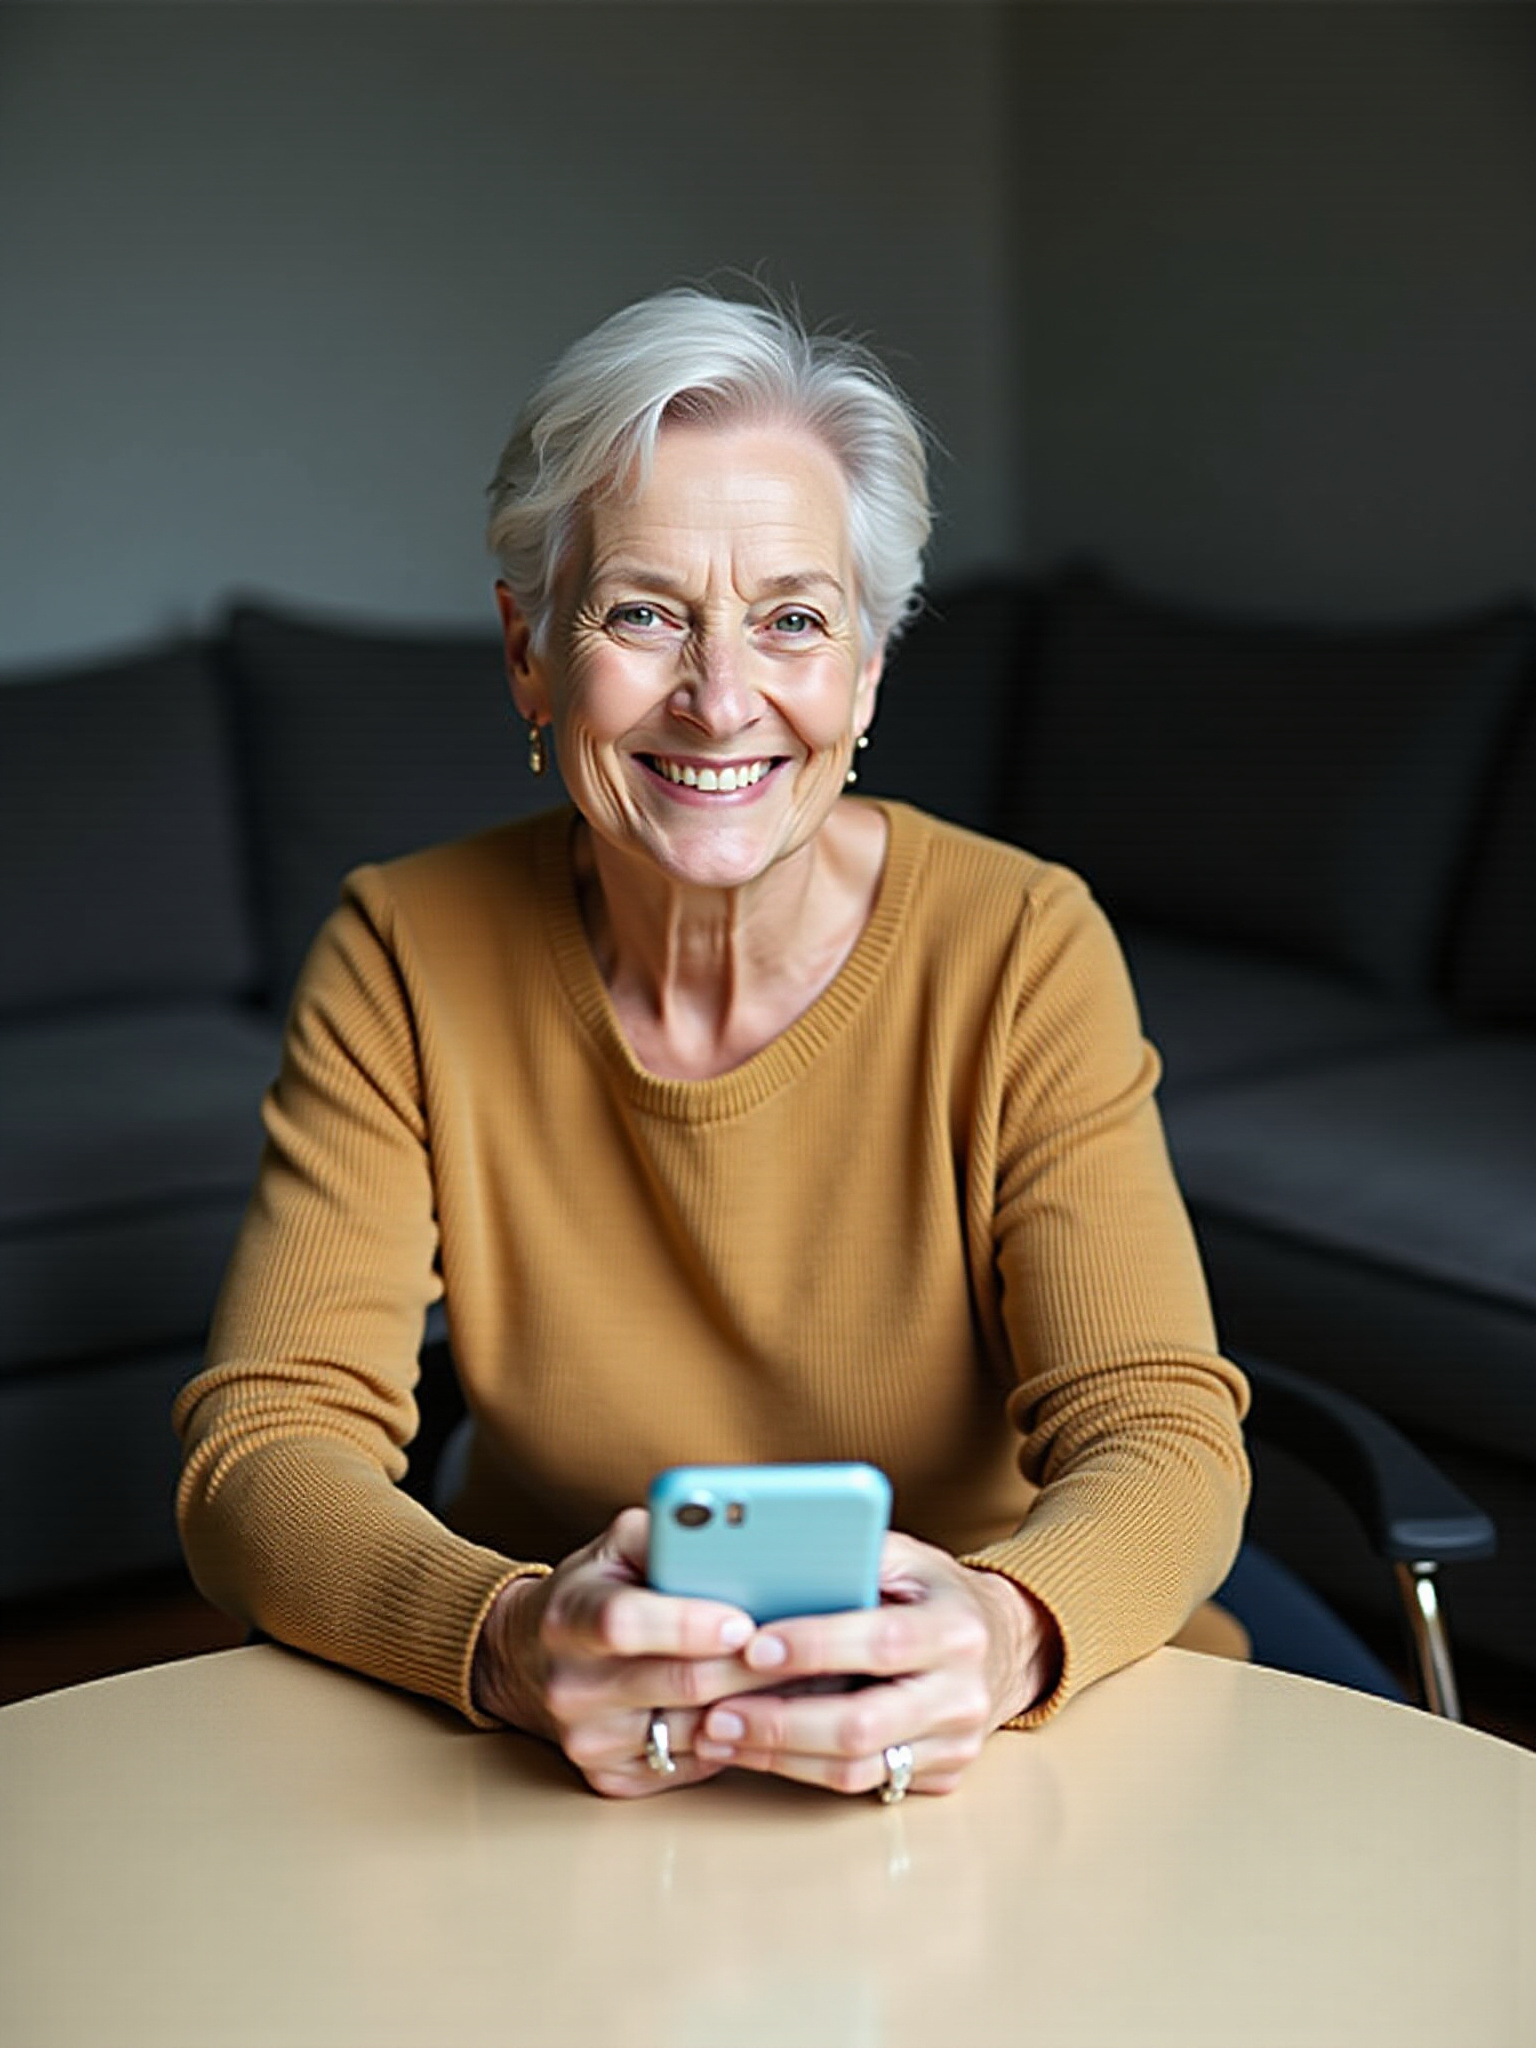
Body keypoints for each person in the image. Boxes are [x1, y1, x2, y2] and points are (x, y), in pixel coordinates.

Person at [174, 288, 1250, 1802]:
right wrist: (498, 1636)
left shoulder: (1020, 944)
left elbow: (1163, 1428)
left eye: (795, 620)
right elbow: (268, 1441)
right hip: (566, 1744)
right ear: (529, 656)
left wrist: (1006, 1633)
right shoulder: (405, 950)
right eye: (642, 612)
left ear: (866, 674)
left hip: (980, 1744)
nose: (723, 696)